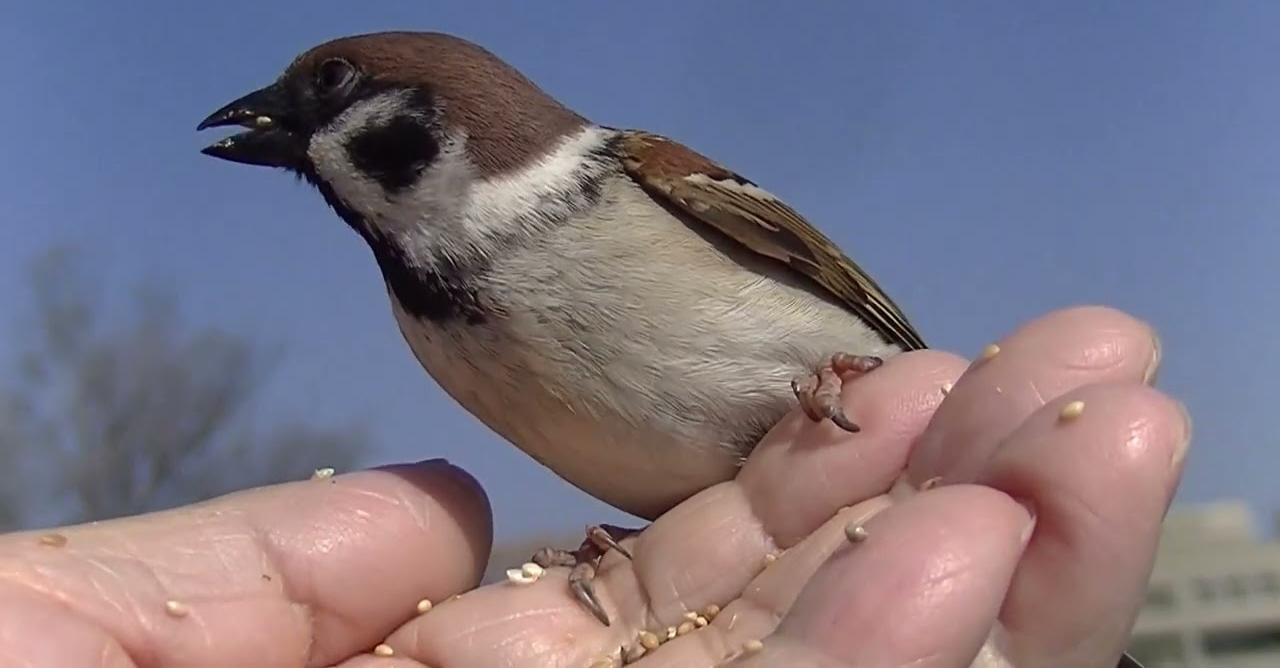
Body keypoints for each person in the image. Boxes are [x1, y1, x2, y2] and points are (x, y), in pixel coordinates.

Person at [0, 307, 1184, 666]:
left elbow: (834, 291)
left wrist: (835, 365)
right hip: (737, 545)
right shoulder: (426, 328)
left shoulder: (637, 172)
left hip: (860, 445)